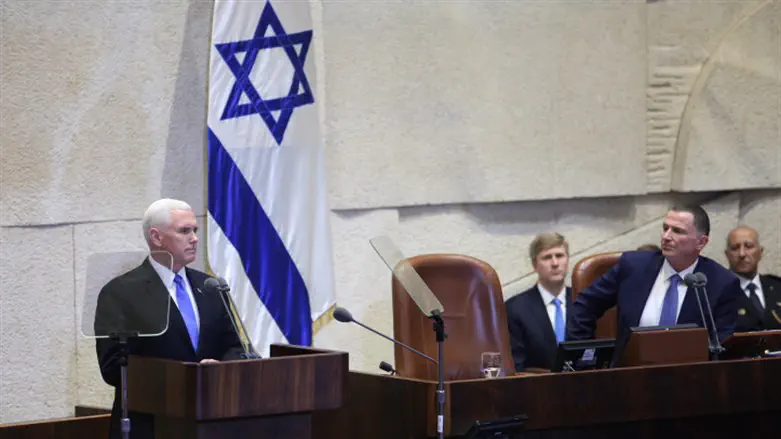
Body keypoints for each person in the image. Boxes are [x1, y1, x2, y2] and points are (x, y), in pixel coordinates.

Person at [95, 199, 243, 439]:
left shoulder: (210, 286)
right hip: (151, 425)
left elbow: (235, 347)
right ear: (156, 237)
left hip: (210, 421)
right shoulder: (120, 293)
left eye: (195, 230)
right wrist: (183, 376)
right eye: (184, 231)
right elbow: (112, 368)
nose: (194, 238)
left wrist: (220, 368)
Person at [568, 205, 742, 344]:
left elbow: (723, 344)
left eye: (677, 231)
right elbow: (585, 305)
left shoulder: (721, 283)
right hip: (628, 372)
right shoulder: (633, 267)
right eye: (665, 228)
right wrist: (584, 357)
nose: (666, 236)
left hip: (689, 375)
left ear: (701, 242)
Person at [505, 233, 572, 372]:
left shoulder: (584, 301)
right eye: (547, 257)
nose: (555, 263)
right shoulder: (515, 309)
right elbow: (516, 367)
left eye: (559, 256)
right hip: (536, 384)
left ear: (567, 261)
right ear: (535, 265)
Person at [724, 226, 781, 332]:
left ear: (760, 252)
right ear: (727, 254)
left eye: (749, 246)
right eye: (735, 248)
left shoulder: (777, 287)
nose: (742, 254)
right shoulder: (717, 292)